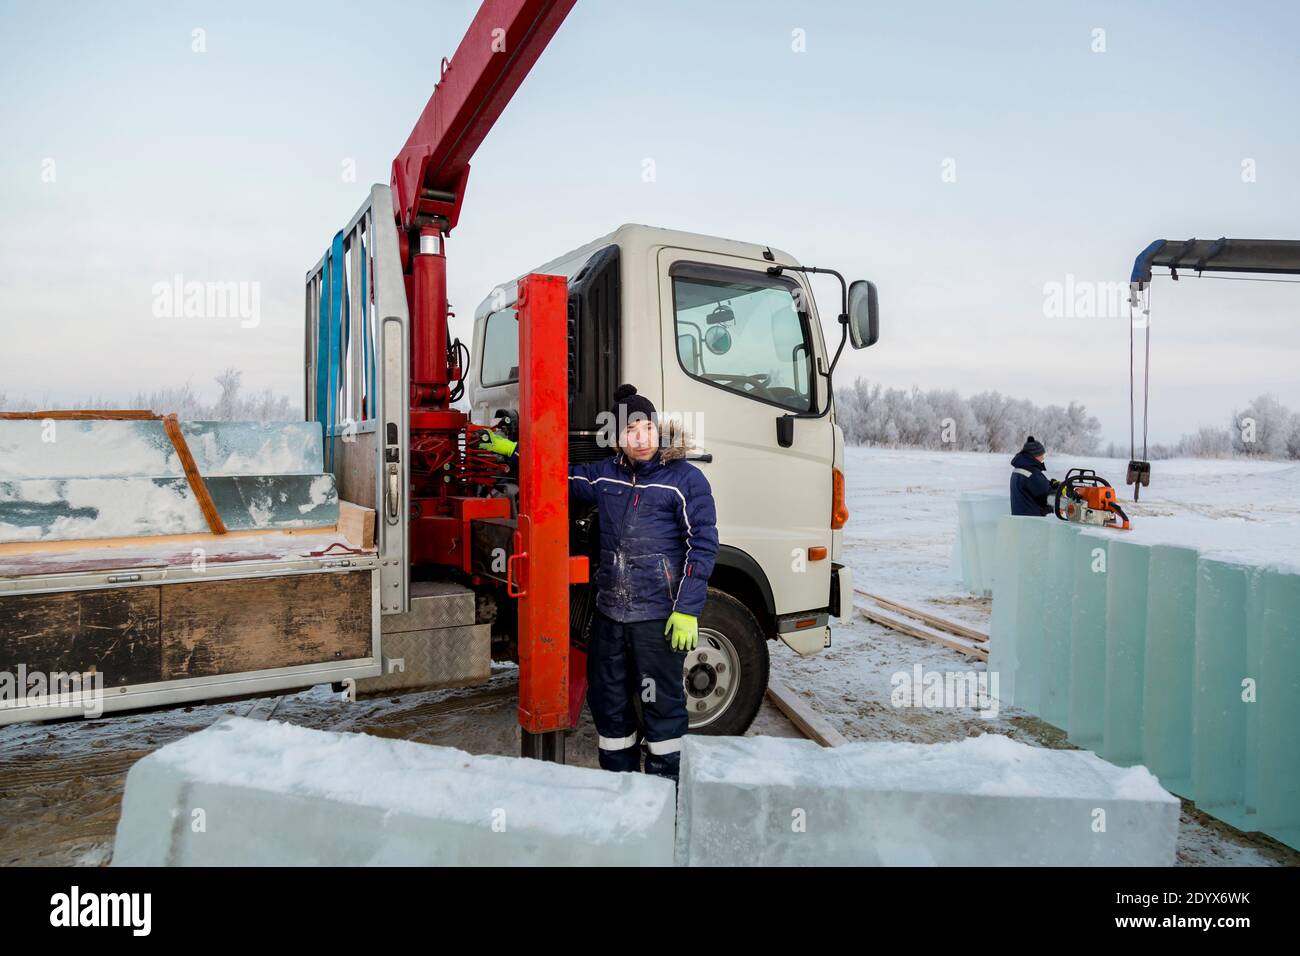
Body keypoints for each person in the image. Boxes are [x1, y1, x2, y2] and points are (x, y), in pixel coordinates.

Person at [477, 383, 718, 781]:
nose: (639, 438)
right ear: (618, 439)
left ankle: (666, 790)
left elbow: (703, 546)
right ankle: (619, 786)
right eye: (629, 431)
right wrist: (512, 452)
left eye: (645, 428)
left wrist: (687, 610)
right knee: (609, 703)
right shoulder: (604, 477)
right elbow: (556, 476)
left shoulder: (686, 480)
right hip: (610, 617)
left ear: (658, 430)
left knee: (662, 706)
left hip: (658, 618)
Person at [1009, 435, 1059, 516]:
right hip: (1032, 521)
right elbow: (1047, 497)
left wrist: (1050, 484)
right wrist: (1059, 490)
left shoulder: (1018, 469)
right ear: (1034, 455)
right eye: (1041, 455)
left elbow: (1034, 488)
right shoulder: (1031, 473)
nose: (1043, 458)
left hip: (1020, 518)